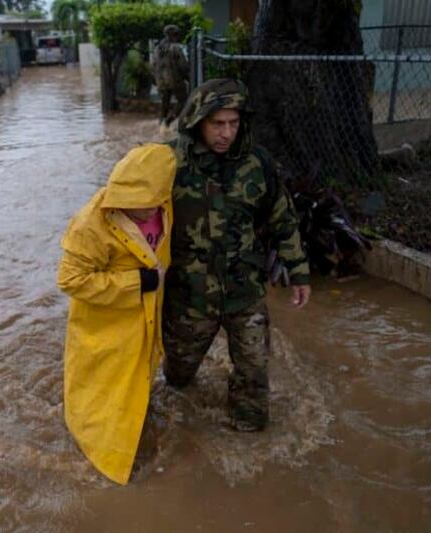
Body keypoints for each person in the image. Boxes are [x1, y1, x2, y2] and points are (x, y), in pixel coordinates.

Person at [162, 78, 311, 432]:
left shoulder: (257, 164)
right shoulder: (168, 163)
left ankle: (248, 447)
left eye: (233, 123)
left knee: (254, 375)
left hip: (244, 290)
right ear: (198, 120)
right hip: (190, 295)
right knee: (178, 378)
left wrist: (299, 272)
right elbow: (131, 215)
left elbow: (283, 217)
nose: (226, 133)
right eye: (217, 124)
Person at [57, 143, 176, 484]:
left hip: (143, 321)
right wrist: (138, 282)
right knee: (98, 394)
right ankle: (102, 453)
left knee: (138, 383)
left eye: (144, 204)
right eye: (128, 202)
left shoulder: (166, 203)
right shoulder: (89, 225)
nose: (136, 210)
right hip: (105, 327)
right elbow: (69, 280)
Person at [152, 24, 189, 128]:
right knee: (183, 101)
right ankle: (169, 121)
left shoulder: (157, 49)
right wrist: (188, 77)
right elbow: (183, 66)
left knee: (165, 103)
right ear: (174, 35)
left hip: (161, 81)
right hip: (175, 80)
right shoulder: (176, 48)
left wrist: (156, 79)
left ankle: (161, 123)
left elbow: (153, 65)